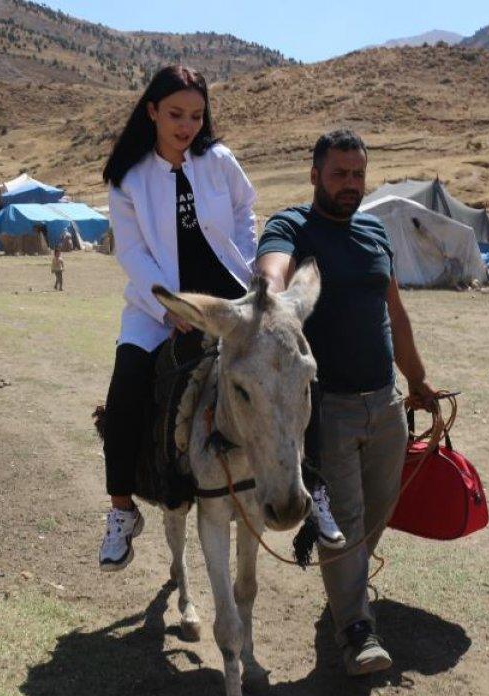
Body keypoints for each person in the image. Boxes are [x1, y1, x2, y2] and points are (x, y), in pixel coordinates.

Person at [97, 65, 343, 572]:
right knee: (125, 394)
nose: (186, 125)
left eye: (195, 114)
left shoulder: (218, 160)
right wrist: (167, 307)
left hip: (233, 297)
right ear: (152, 112)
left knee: (296, 368)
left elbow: (244, 209)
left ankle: (313, 487)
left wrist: (251, 269)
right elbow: (133, 251)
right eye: (175, 114)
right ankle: (122, 511)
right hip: (159, 304)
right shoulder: (128, 178)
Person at [257, 129, 436, 677]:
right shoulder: (291, 226)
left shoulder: (375, 233)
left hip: (384, 404)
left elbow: (396, 316)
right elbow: (274, 268)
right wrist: (271, 292)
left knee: (380, 507)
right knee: (345, 517)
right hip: (325, 409)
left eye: (358, 174)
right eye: (339, 174)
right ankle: (356, 631)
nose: (350, 185)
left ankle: (345, 592)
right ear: (315, 175)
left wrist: (419, 382)